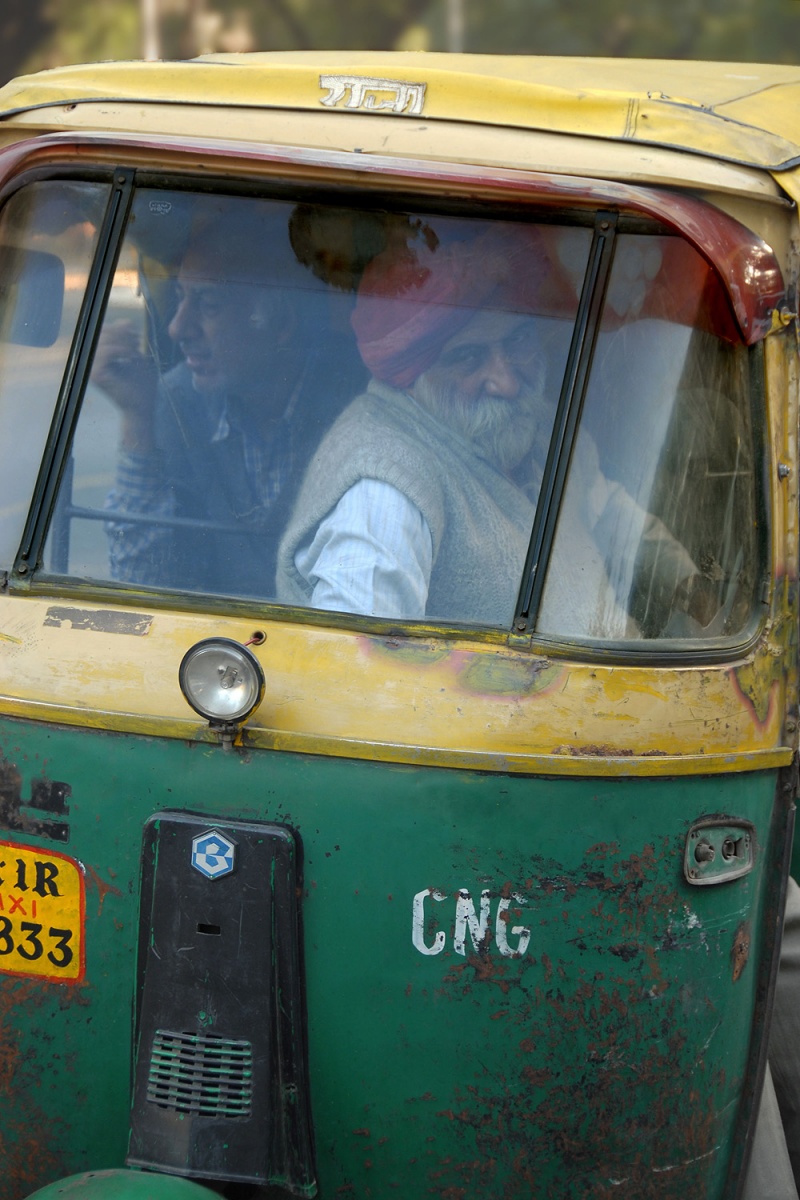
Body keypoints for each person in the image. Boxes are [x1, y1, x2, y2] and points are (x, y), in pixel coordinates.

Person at [276, 223, 700, 635]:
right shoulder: (383, 492)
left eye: (516, 341)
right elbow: (360, 669)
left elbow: (607, 510)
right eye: (468, 358)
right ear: (411, 378)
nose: (508, 382)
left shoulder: (528, 424)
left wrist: (689, 586)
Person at [94, 201, 364, 597]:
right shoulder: (177, 402)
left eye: (208, 305)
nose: (176, 328)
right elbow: (141, 582)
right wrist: (137, 417)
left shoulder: (352, 410)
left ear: (280, 322)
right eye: (180, 298)